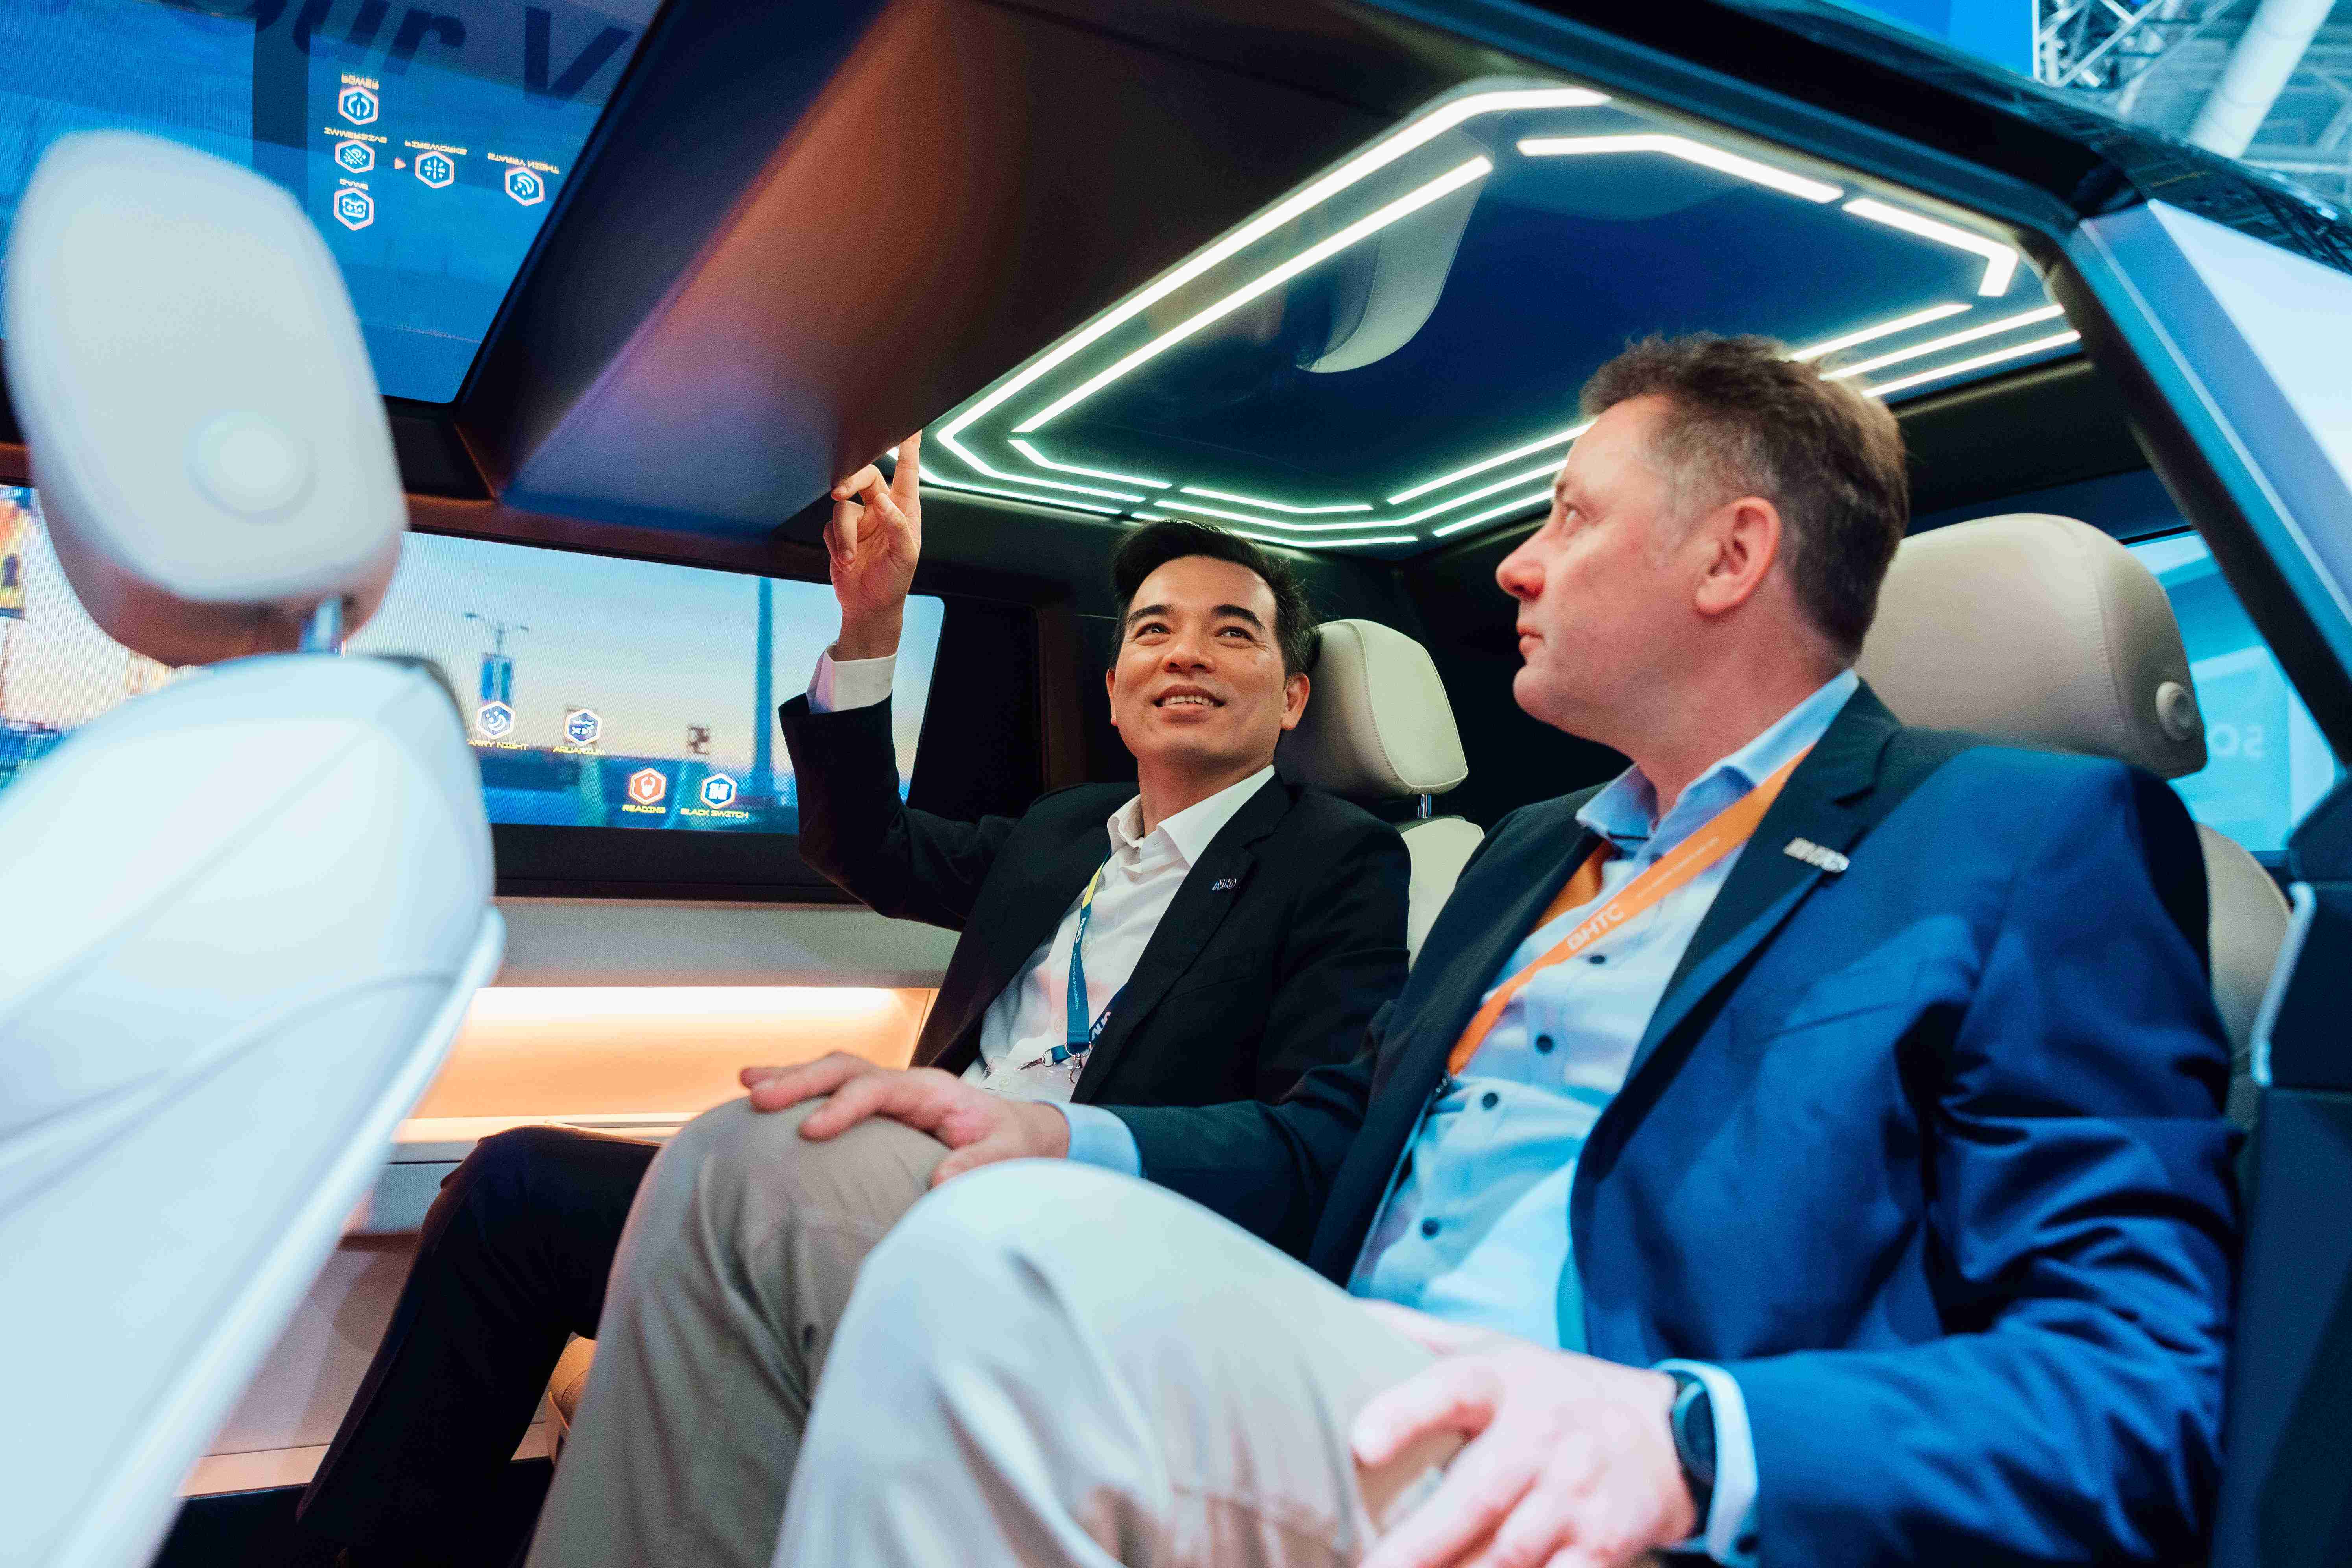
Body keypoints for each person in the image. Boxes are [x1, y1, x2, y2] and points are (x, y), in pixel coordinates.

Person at [531, 334, 2238, 1568]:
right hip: (1335, 1358)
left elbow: (2134, 1386)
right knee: (762, 1159)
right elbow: (1329, 1137)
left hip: (1570, 1454)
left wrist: (1688, 1436)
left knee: (1003, 1263)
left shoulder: (2023, 837)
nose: (1517, 562)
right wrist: (1054, 1127)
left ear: (1732, 554)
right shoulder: (1528, 851)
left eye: (1567, 516)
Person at [297, 439, 1413, 1566]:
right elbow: (868, 845)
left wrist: (1055, 1134)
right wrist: (872, 625)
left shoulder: (1337, 859)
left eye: (1234, 632)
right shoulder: (1063, 830)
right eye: (1152, 629)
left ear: (1293, 697)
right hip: (897, 1191)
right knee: (513, 1188)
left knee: (671, 1166)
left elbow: (1314, 1142)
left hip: (1060, 1242)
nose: (1186, 653)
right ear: (1117, 691)